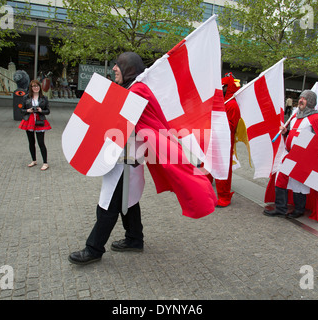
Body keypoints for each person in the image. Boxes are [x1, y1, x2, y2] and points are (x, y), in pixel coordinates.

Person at [68, 52, 217, 266]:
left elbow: (135, 126)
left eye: (118, 65)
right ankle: (134, 239)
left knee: (107, 205)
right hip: (126, 158)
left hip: (125, 160)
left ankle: (93, 249)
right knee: (128, 200)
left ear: (128, 68)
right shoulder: (133, 89)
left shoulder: (136, 91)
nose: (113, 69)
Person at [263, 90, 318, 221]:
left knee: (299, 183)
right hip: (288, 154)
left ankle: (299, 209)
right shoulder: (294, 116)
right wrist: (285, 132)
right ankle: (281, 208)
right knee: (280, 178)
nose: (301, 100)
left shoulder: (316, 119)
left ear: (310, 102)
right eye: (301, 98)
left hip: (303, 156)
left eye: (304, 99)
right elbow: (291, 134)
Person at [210, 73, 241, 207]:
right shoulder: (223, 103)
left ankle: (224, 197)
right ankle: (203, 188)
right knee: (208, 166)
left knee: (222, 170)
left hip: (224, 143)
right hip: (214, 139)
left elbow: (230, 127)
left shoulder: (232, 105)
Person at [18, 79, 51, 171]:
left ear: (39, 87)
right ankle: (34, 160)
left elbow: (48, 111)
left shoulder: (44, 98)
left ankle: (45, 162)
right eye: (33, 86)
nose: (35, 88)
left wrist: (41, 111)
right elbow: (21, 110)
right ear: (31, 88)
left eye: (37, 86)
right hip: (29, 121)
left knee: (41, 142)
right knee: (31, 142)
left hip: (40, 121)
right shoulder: (26, 98)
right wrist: (28, 110)